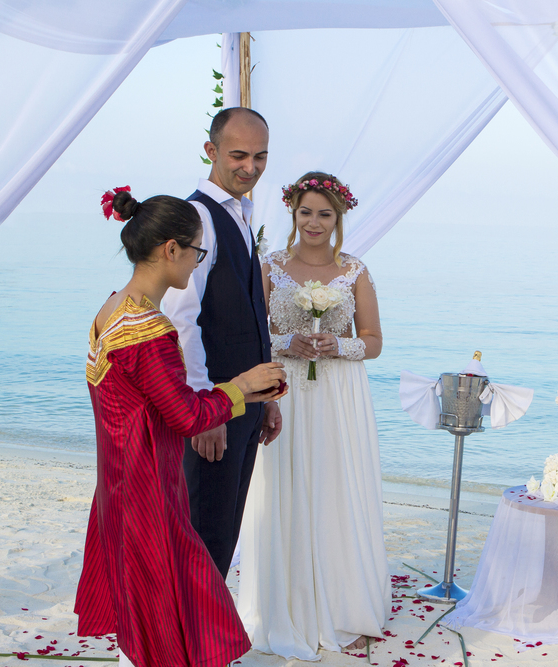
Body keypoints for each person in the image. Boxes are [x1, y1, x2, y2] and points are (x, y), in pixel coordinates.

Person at [75, 188, 287, 667]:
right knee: (170, 614)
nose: (197, 263)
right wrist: (241, 385)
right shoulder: (147, 331)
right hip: (148, 492)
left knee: (157, 610)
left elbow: (158, 402)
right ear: (171, 249)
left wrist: (245, 393)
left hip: (119, 486)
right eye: (197, 252)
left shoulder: (113, 309)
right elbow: (186, 417)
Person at [238, 171, 390, 660]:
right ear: (294, 213)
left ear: (338, 218)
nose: (314, 222)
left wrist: (337, 345)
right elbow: (252, 332)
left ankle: (342, 602)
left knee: (335, 487)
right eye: (306, 212)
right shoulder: (270, 266)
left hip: (340, 395)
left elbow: (373, 341)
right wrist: (288, 341)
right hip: (285, 390)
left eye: (325, 214)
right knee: (284, 487)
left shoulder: (355, 270)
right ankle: (285, 602)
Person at [162, 106, 280, 578]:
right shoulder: (197, 216)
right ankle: (187, 625)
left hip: (244, 404)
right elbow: (181, 318)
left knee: (224, 534)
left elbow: (247, 311)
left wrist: (267, 397)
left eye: (260, 156)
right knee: (204, 535)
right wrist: (202, 407)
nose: (250, 167)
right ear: (211, 150)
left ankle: (204, 621)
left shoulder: (241, 214)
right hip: (214, 407)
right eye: (238, 155)